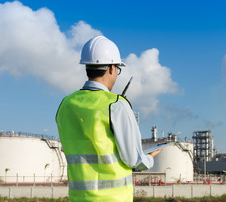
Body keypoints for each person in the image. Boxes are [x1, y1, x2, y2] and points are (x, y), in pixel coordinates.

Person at [56, 35, 161, 202]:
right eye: (118, 70)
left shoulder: (65, 105)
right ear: (112, 68)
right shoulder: (116, 105)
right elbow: (133, 159)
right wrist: (150, 158)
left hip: (78, 198)